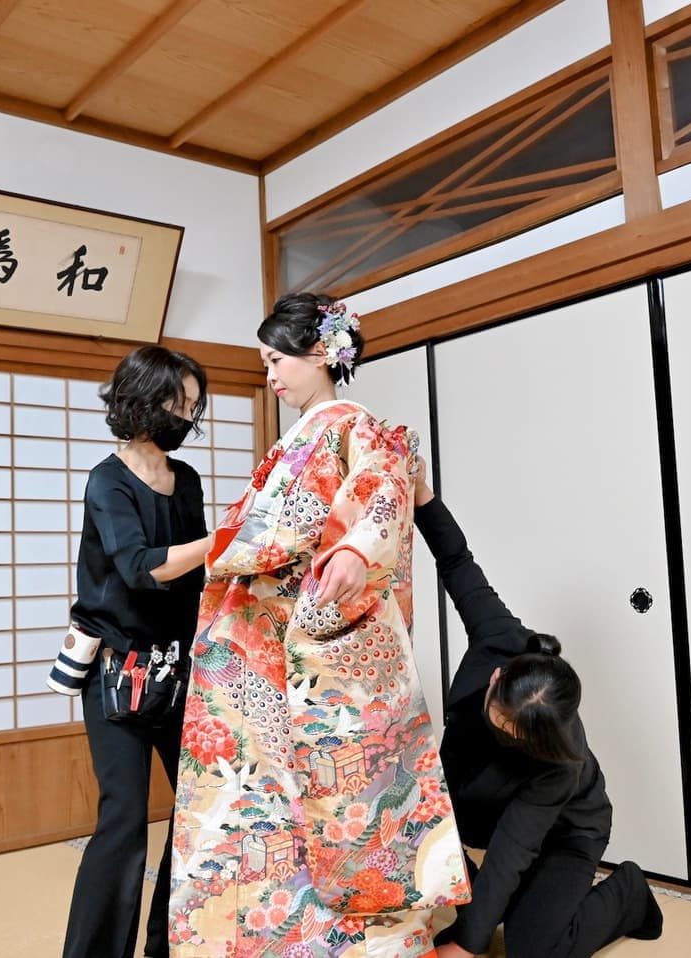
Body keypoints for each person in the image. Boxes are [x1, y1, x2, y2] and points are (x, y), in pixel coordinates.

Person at [166, 293, 467, 957]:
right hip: (270, 641)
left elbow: (386, 485)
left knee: (336, 792)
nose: (271, 375)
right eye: (266, 361)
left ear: (320, 356)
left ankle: (352, 937)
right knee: (264, 794)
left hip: (320, 648)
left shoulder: (353, 425)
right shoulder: (302, 435)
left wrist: (359, 548)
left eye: (278, 360)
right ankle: (280, 935)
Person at [408, 462, 664, 958]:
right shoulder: (500, 638)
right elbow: (458, 563)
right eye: (498, 716)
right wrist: (423, 497)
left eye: (512, 733)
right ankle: (482, 910)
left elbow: (510, 852)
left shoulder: (559, 762)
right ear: (499, 677)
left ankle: (629, 893)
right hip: (480, 802)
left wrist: (466, 945)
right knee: (411, 815)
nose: (500, 729)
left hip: (568, 833)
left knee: (532, 950)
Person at [48, 345, 213, 958]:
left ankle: (167, 944)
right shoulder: (107, 480)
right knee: (122, 820)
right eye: (180, 402)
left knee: (196, 809)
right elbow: (143, 569)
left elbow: (197, 574)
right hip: (117, 669)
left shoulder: (186, 478)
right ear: (143, 398)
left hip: (181, 668)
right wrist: (221, 539)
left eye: (193, 406)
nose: (186, 417)